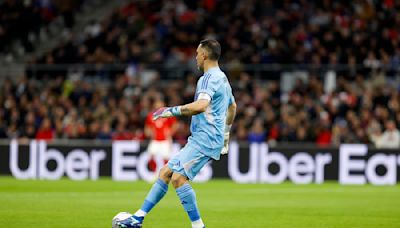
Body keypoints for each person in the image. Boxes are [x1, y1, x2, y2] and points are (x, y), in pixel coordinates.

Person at [117, 39, 237, 228]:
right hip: (205, 138)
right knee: (165, 173)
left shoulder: (208, 78)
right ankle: (138, 218)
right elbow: (232, 107)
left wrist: (170, 110)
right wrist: (226, 135)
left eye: (197, 53)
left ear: (204, 55)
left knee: (178, 179)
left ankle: (198, 226)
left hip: (205, 139)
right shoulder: (222, 78)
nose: (195, 57)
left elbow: (201, 106)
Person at [145, 98, 178, 173]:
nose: (158, 106)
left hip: (165, 140)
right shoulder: (151, 116)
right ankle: (153, 173)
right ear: (154, 105)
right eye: (157, 104)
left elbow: (175, 125)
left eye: (160, 104)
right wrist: (149, 133)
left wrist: (170, 132)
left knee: (166, 157)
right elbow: (147, 128)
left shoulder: (167, 115)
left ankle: (165, 174)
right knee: (151, 156)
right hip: (155, 140)